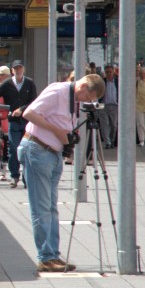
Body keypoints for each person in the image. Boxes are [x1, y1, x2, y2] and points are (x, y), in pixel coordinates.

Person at [18, 73, 106, 272]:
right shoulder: (58, 91)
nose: (86, 103)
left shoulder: (73, 99)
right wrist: (58, 131)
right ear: (84, 86)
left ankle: (53, 255)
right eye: (88, 98)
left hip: (53, 153)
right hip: (37, 149)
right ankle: (45, 257)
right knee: (41, 208)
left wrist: (68, 133)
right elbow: (29, 113)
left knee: (51, 207)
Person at [0, 59, 38, 188]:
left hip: (27, 121)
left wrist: (22, 109)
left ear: (23, 69)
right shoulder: (7, 83)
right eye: (16, 68)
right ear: (12, 71)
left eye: (20, 68)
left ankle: (27, 178)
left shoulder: (29, 83)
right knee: (14, 149)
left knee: (27, 149)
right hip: (13, 122)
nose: (18, 70)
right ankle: (14, 176)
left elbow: (34, 100)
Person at [100, 64, 119, 148]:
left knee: (113, 125)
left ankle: (112, 140)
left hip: (114, 106)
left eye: (110, 72)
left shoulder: (117, 82)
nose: (108, 74)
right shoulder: (102, 82)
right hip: (103, 106)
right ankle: (107, 142)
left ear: (113, 72)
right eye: (107, 72)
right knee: (104, 125)